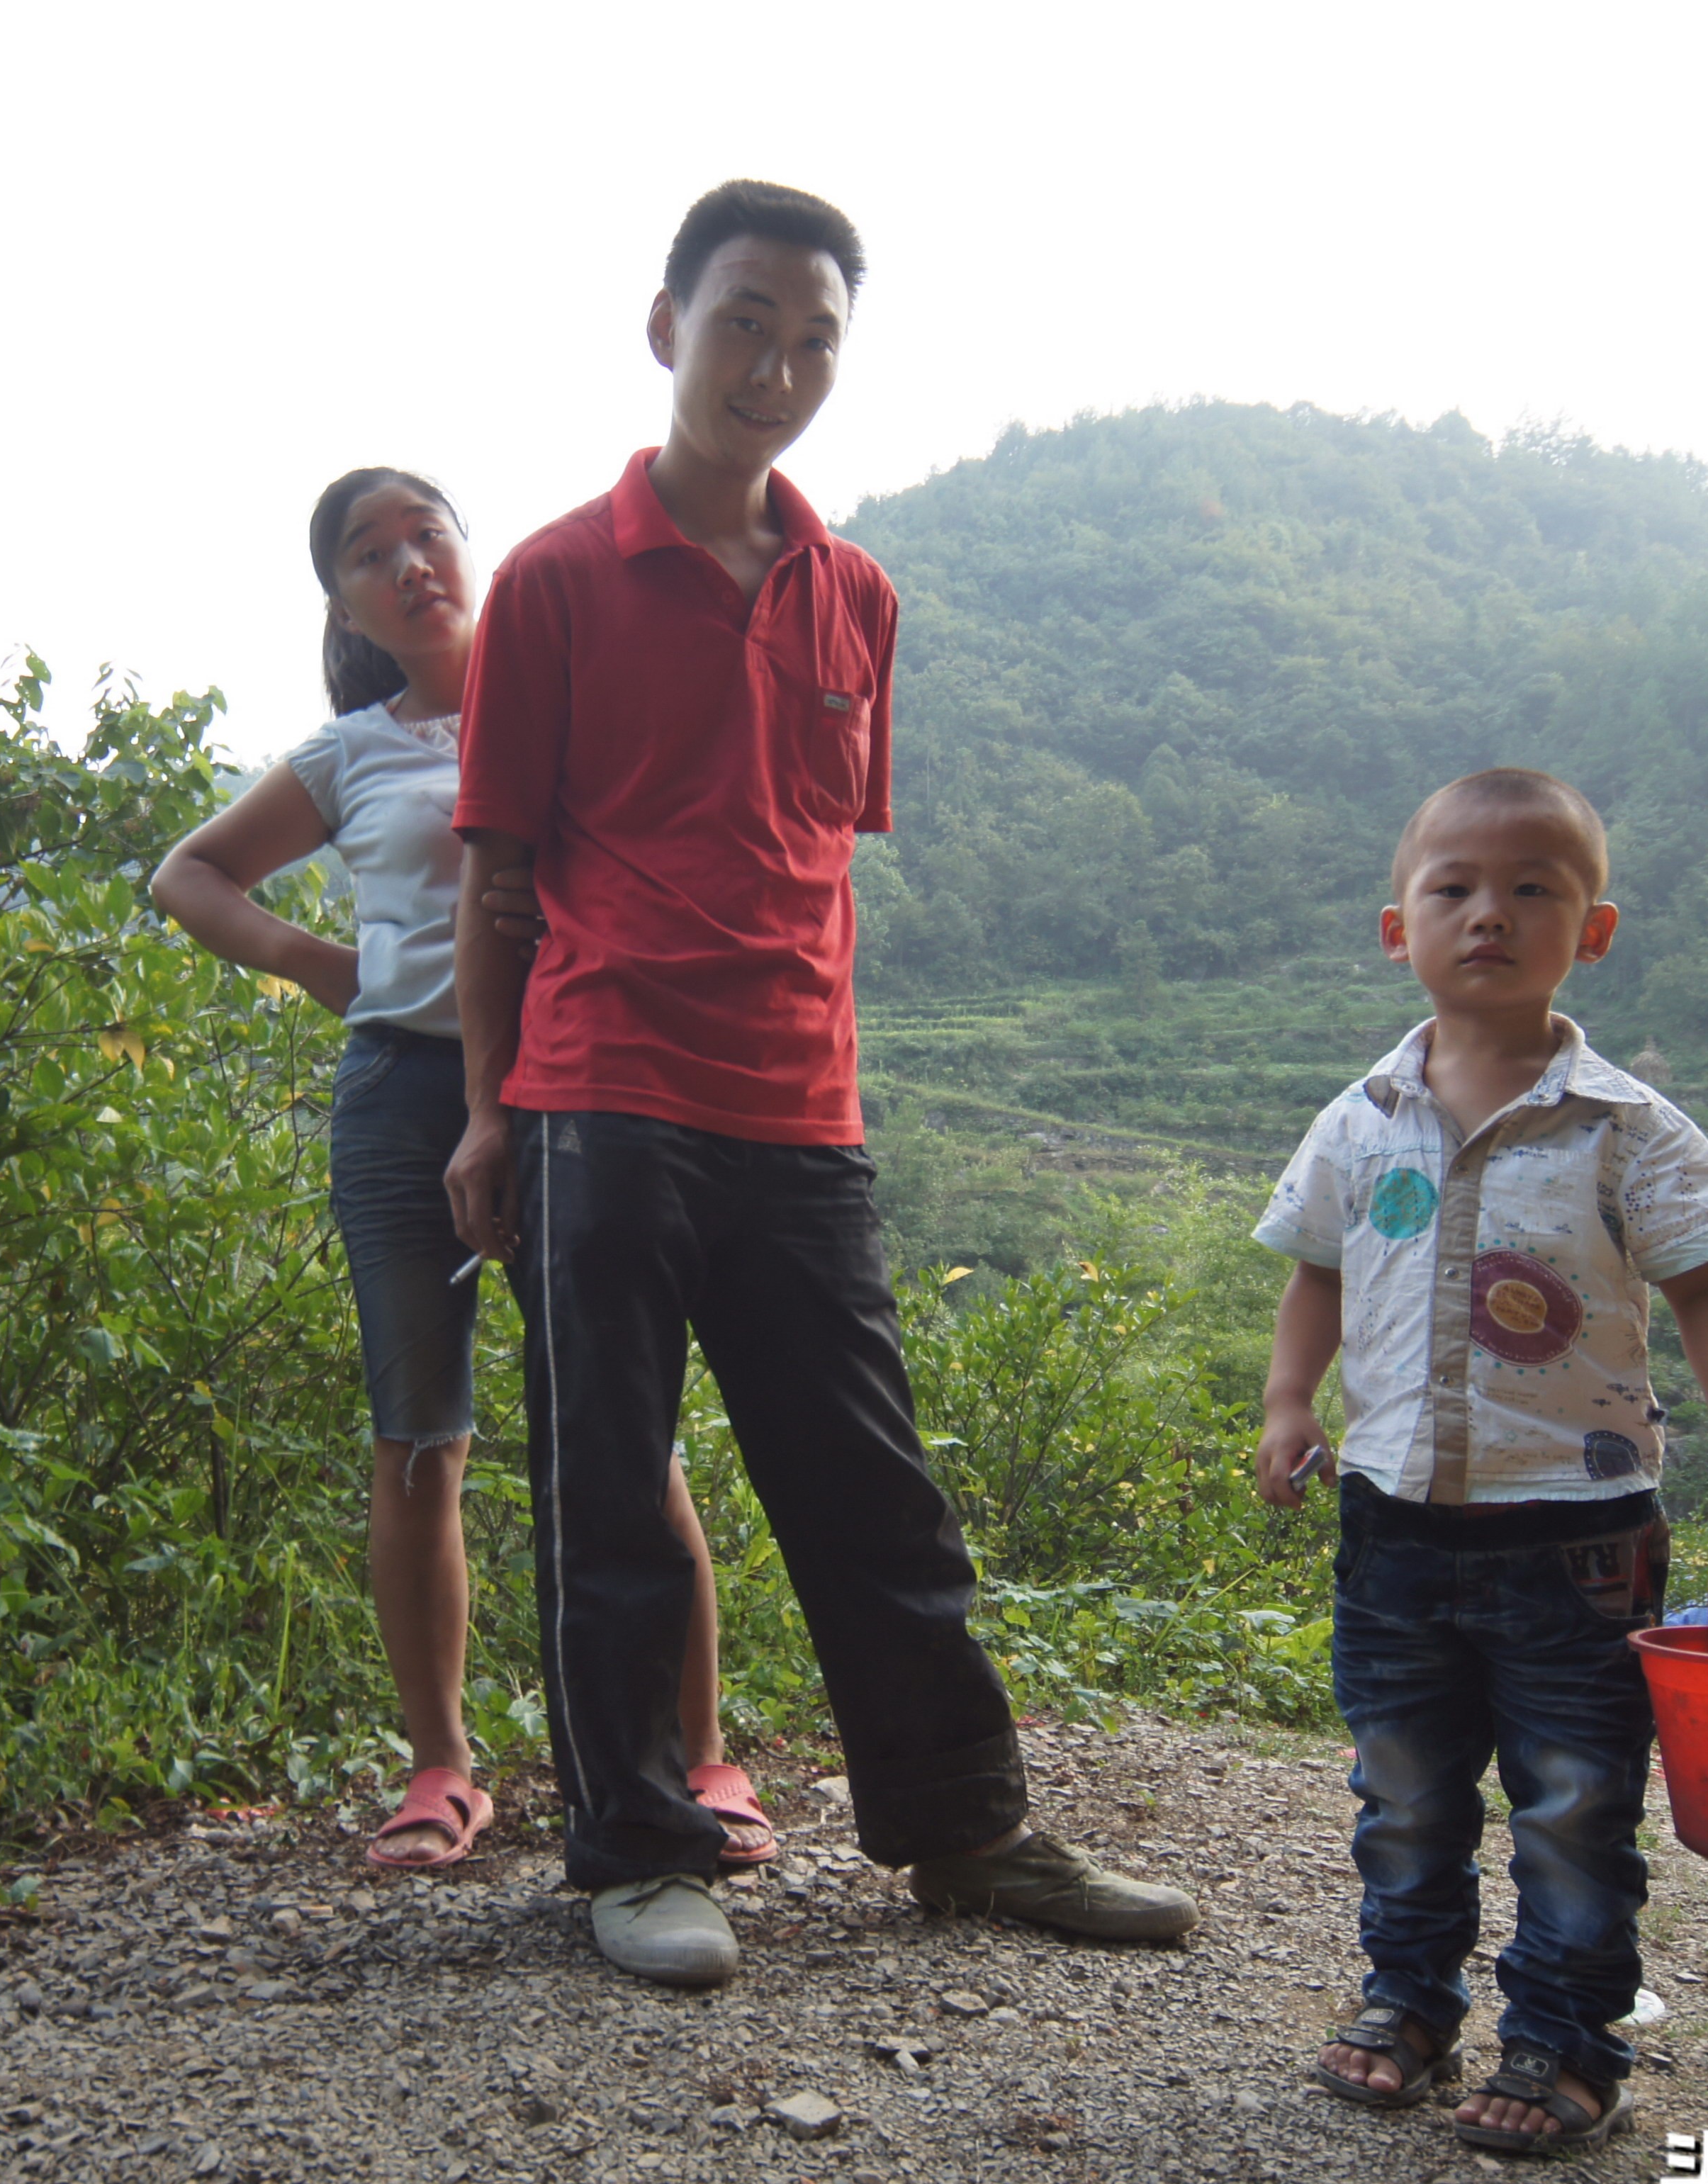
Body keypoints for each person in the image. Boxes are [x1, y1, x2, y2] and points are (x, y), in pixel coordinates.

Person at [442, 180, 1198, 1987]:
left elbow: (809, 856)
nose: (774, 365)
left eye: (811, 339)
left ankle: (964, 1829)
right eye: (742, 323)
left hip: (799, 1109)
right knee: (609, 1490)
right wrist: (486, 1112)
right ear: (665, 327)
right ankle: (635, 1850)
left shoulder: (857, 594)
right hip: (602, 1090)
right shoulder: (552, 577)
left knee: (869, 1485)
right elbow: (494, 878)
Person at [149, 467, 774, 1874]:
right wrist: (325, 968)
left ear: (464, 546)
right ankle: (441, 1769)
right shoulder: (351, 750)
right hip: (398, 1094)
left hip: (573, 1079)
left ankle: (698, 1752)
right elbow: (188, 875)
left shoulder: (568, 688)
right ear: (346, 604)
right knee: (416, 1431)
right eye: (370, 555)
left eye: (423, 533)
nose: (407, 564)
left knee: (626, 1427)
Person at [1252, 767, 1708, 2154]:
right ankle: (1405, 2003)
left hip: (1576, 1536)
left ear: (1590, 930)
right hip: (1393, 1528)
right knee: (1404, 1787)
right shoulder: (1354, 1118)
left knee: (1571, 1800)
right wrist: (1286, 1403)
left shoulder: (1628, 1129)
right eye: (1452, 888)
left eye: (1528, 889)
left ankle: (1561, 2039)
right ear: (1398, 927)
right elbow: (1315, 1270)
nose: (1485, 914)